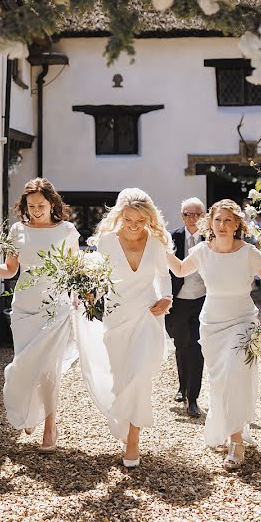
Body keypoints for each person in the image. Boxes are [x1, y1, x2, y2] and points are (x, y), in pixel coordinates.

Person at [166, 199, 261, 470]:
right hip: (212, 325)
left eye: (229, 220)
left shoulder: (249, 252)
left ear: (238, 224)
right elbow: (180, 270)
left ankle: (236, 440)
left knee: (234, 373)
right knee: (220, 382)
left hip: (243, 322)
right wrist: (161, 248)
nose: (223, 225)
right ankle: (228, 427)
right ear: (210, 223)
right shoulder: (203, 251)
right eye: (218, 220)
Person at [0, 178, 79, 453]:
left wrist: (79, 297)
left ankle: (49, 426)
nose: (35, 210)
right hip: (24, 306)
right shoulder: (17, 230)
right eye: (31, 206)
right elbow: (10, 270)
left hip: (55, 305)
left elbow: (75, 271)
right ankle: (30, 412)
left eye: (41, 205)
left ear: (52, 204)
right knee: (25, 364)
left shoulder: (67, 230)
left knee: (48, 368)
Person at [78, 188, 173, 468]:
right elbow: (96, 278)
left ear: (149, 219)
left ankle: (133, 441)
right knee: (122, 381)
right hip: (116, 318)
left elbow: (163, 277)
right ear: (120, 216)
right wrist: (89, 293)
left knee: (140, 375)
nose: (133, 226)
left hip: (147, 316)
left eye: (140, 221)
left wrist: (166, 298)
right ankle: (124, 422)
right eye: (129, 219)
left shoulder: (156, 244)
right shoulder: (106, 242)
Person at [166, 197, 207, 417]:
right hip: (178, 301)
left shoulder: (211, 239)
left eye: (197, 214)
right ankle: (182, 388)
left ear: (204, 216)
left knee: (197, 348)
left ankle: (193, 398)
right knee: (181, 346)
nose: (193, 218)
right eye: (188, 214)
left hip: (203, 300)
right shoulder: (172, 238)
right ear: (182, 216)